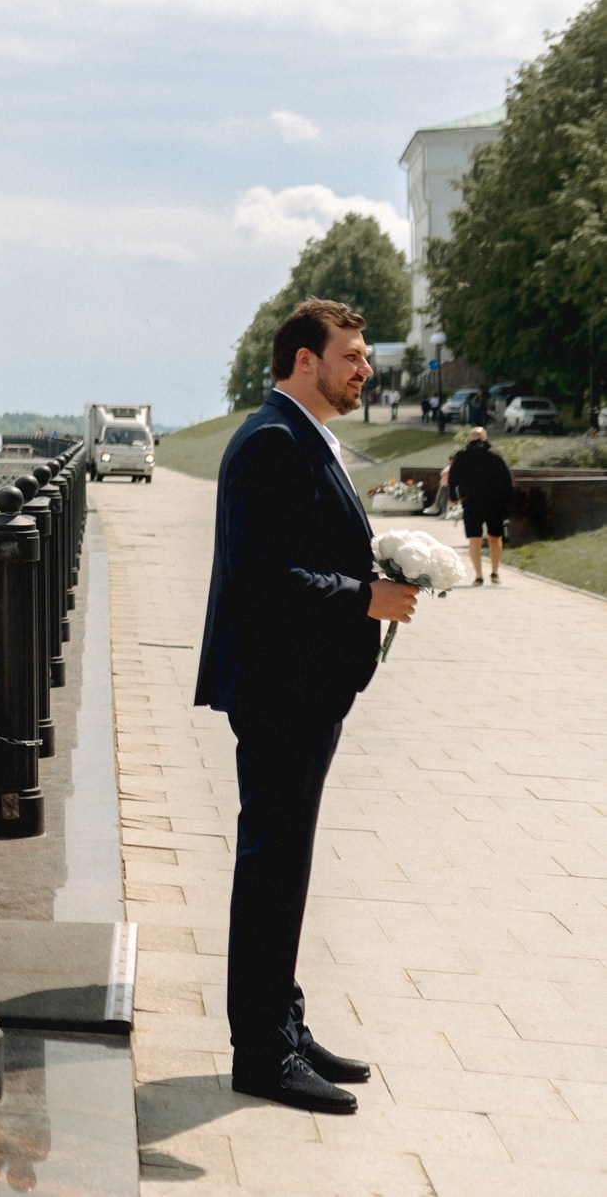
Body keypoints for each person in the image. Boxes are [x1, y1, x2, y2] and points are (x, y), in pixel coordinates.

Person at [195, 297, 418, 1115]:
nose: (365, 369)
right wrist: (365, 598)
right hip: (279, 688)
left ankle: (284, 1025)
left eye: (364, 357)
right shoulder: (271, 441)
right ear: (303, 361)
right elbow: (260, 578)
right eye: (352, 355)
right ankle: (260, 1053)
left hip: (302, 687)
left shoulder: (297, 434)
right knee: (270, 868)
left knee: (286, 865)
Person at [438, 427, 512, 585]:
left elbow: (453, 478)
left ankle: (479, 575)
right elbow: (506, 479)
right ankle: (494, 572)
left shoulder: (462, 456)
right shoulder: (495, 455)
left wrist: (453, 497)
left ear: (469, 440)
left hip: (472, 502)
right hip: (494, 502)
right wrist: (508, 501)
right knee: (494, 537)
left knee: (475, 539)